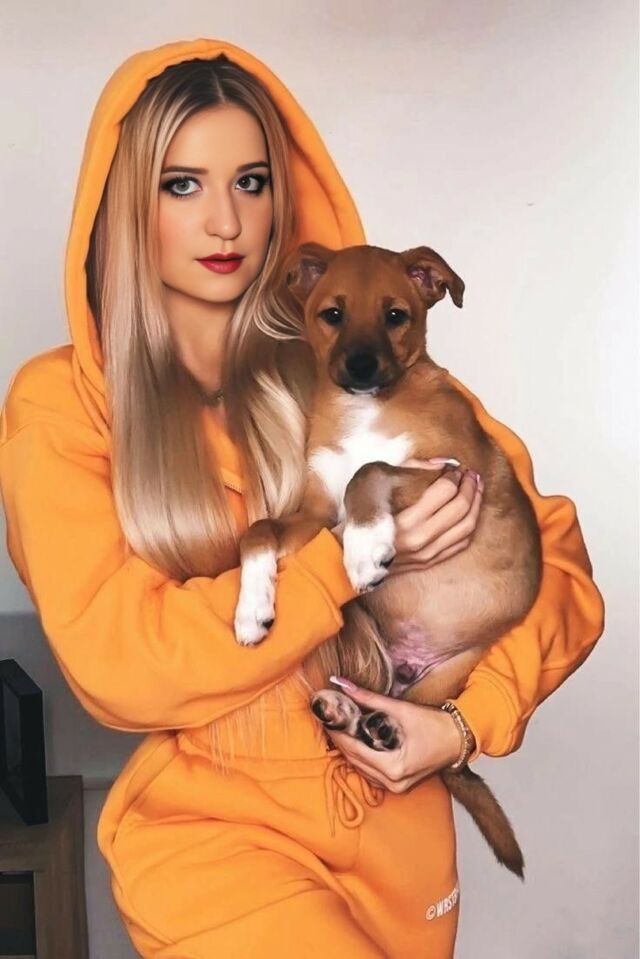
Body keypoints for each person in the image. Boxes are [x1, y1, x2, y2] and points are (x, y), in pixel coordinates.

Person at [0, 38, 604, 958]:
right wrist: (340, 563)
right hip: (216, 841)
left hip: (396, 832)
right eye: (181, 185)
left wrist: (461, 725)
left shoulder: (352, 356)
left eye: (251, 182)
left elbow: (552, 561)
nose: (225, 222)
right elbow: (118, 663)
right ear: (125, 205)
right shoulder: (64, 405)